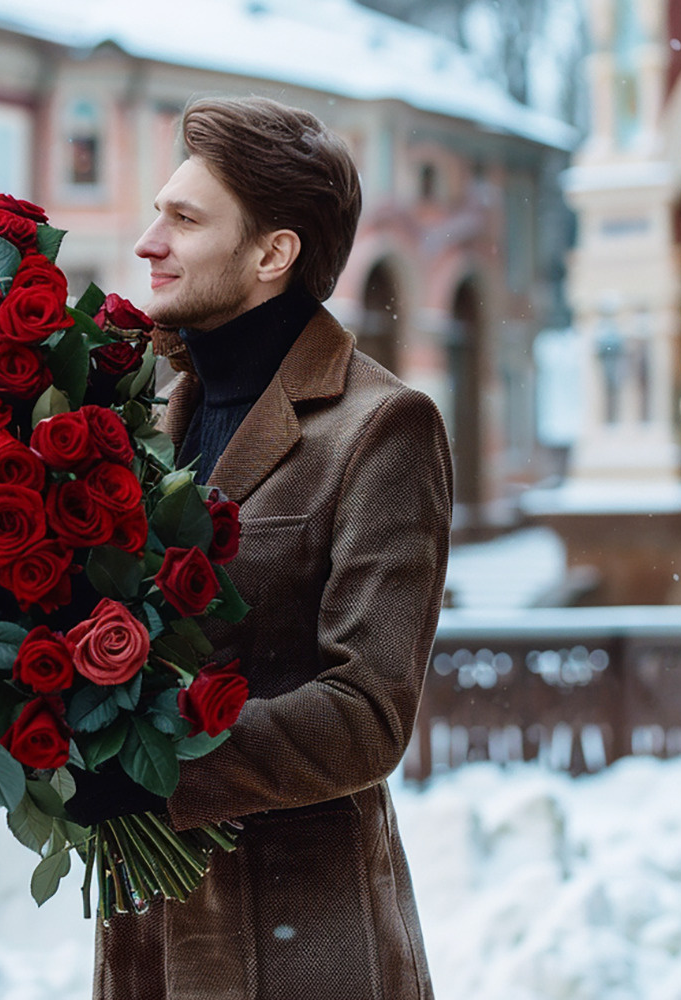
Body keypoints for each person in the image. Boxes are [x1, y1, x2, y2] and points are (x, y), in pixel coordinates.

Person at [81, 96, 452, 999]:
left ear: (272, 253)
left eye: (184, 218)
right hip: (147, 943)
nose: (147, 242)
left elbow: (367, 714)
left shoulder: (380, 429)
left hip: (303, 940)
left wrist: (154, 762)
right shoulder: (145, 418)